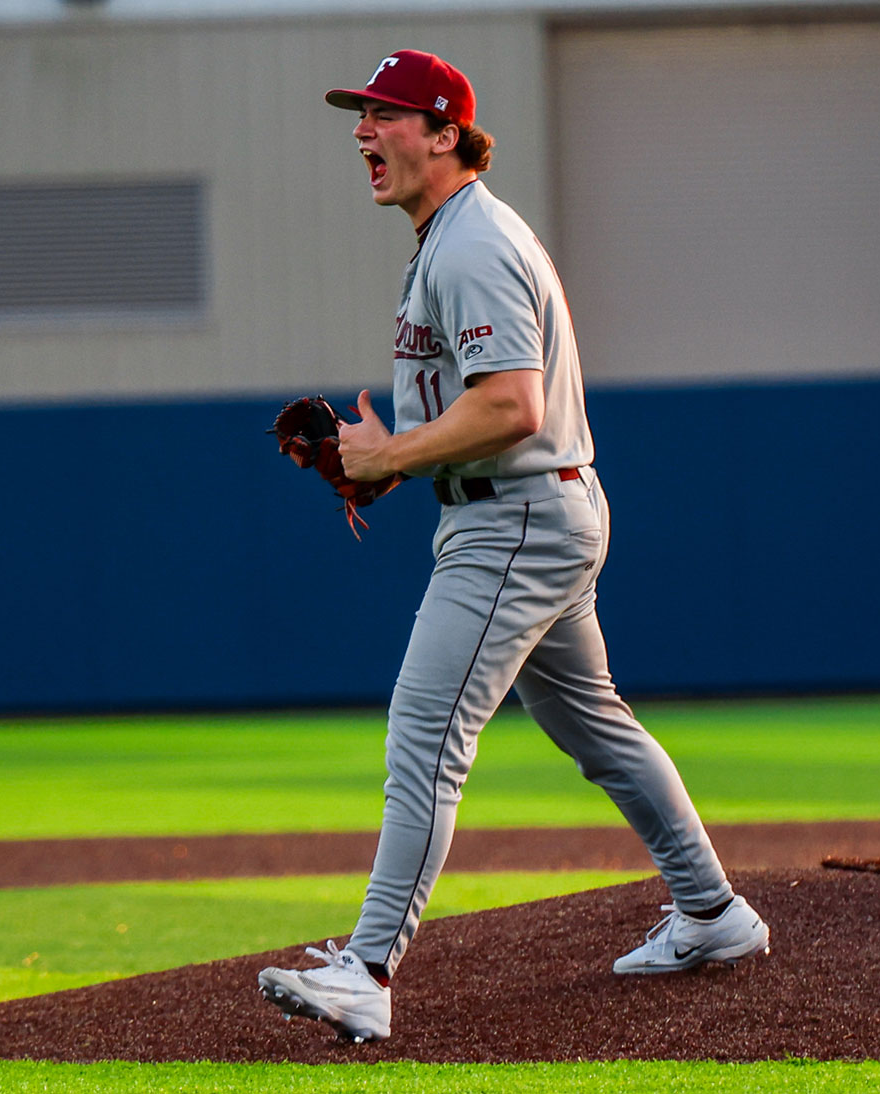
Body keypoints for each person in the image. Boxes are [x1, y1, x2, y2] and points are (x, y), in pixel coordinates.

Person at [255, 50, 768, 1044]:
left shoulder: (470, 244)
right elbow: (479, 410)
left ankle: (365, 966)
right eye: (359, 117)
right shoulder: (444, 239)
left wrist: (393, 450)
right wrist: (383, 464)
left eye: (385, 116)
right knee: (595, 728)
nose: (363, 132)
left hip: (515, 518)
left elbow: (511, 404)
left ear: (444, 132)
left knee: (423, 731)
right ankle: (710, 909)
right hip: (524, 505)